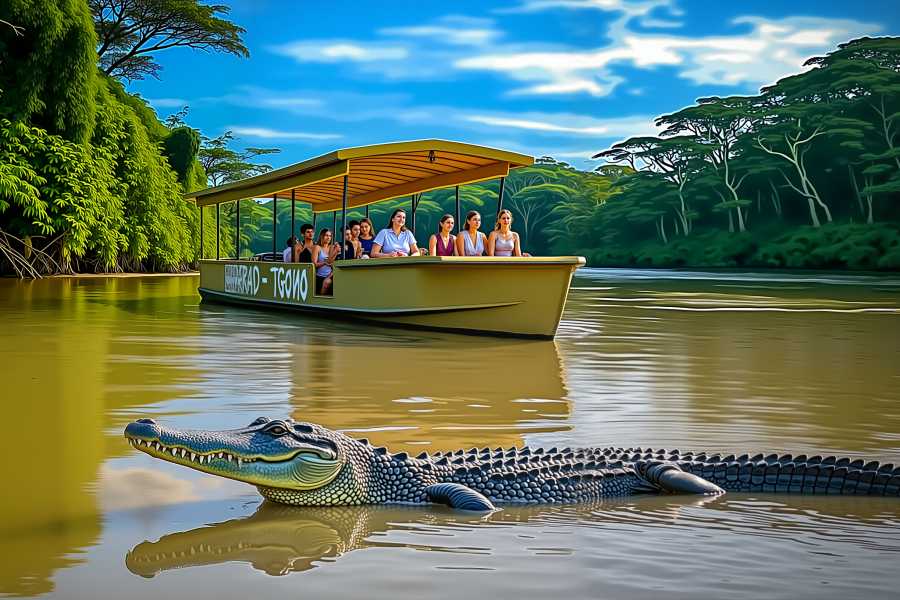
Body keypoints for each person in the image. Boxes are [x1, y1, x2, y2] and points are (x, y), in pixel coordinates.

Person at [313, 228, 340, 295]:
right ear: (322, 236)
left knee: (329, 281)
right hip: (320, 276)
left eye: (330, 236)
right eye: (326, 235)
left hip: (331, 275)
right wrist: (324, 262)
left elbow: (332, 262)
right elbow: (314, 264)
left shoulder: (332, 247)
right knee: (326, 282)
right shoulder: (317, 247)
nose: (328, 237)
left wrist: (336, 252)